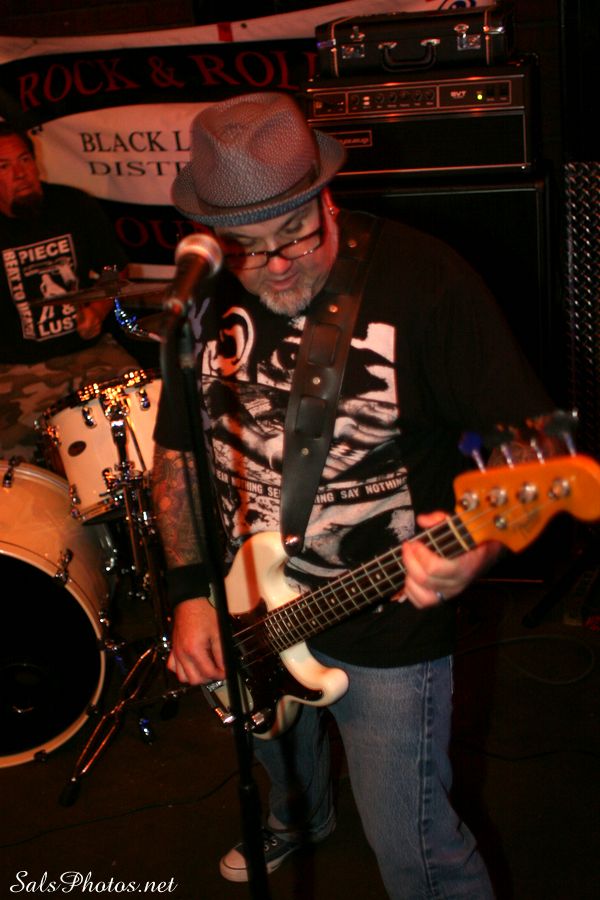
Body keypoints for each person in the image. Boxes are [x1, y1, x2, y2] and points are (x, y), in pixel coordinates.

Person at [151, 92, 556, 898]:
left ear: (325, 195)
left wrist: (478, 547)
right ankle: (298, 817)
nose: (276, 264)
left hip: (387, 631)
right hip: (246, 607)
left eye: (295, 233)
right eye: (248, 247)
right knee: (277, 752)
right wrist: (193, 592)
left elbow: (537, 447)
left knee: (416, 852)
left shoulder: (426, 280)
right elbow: (179, 454)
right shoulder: (204, 291)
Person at [0, 122, 140, 462]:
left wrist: (98, 310)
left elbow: (114, 270)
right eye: (4, 166)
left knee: (143, 411)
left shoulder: (73, 205)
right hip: (17, 368)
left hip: (89, 353)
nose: (21, 174)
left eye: (24, 160)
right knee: (14, 468)